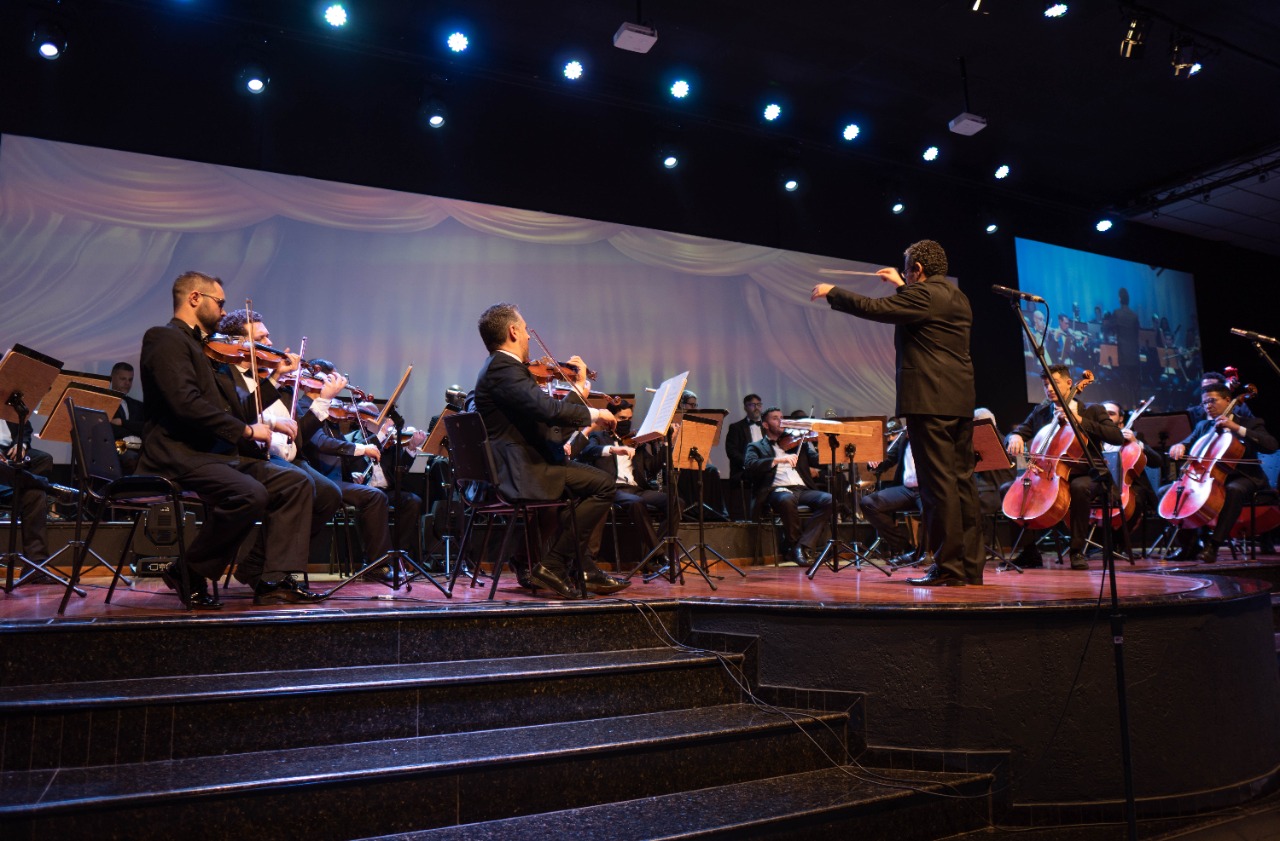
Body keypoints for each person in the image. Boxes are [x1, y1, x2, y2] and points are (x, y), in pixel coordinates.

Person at [137, 271, 318, 608]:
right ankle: (188, 571)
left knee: (296, 482)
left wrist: (268, 414)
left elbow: (237, 409)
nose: (224, 311)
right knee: (249, 494)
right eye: (219, 303)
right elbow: (185, 404)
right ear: (194, 298)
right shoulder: (164, 339)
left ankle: (272, 579)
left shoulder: (210, 350)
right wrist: (247, 431)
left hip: (218, 455)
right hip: (179, 454)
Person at [811, 239, 982, 586]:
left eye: (908, 269)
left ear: (917, 269)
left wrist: (834, 293)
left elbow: (875, 308)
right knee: (962, 483)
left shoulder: (922, 296)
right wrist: (903, 284)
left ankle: (948, 569)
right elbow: (921, 306)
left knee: (937, 487)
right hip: (960, 402)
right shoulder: (957, 297)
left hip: (929, 403)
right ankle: (968, 568)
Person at [471, 302, 627, 599]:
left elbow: (547, 421)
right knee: (603, 486)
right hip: (523, 470)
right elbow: (546, 410)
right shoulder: (503, 369)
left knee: (591, 484)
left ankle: (579, 566)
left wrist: (578, 393)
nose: (530, 337)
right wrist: (593, 414)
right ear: (513, 331)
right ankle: (556, 564)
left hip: (529, 462)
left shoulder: (501, 369)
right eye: (526, 330)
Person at [1005, 365, 1125, 570]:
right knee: (1007, 490)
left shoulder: (1092, 410)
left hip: (1090, 475)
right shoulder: (1042, 412)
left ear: (1070, 384)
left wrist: (1078, 420)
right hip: (1051, 475)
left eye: (1054, 383)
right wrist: (1014, 436)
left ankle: (1077, 551)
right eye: (1045, 385)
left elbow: (1117, 437)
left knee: (1079, 487)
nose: (1049, 389)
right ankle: (1030, 552)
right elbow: (1020, 431)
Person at [1164, 383, 1277, 562]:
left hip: (1244, 477)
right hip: (1209, 478)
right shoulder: (1203, 426)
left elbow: (1271, 445)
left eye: (1212, 400)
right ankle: (1188, 546)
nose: (1208, 406)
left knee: (1234, 490)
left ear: (1227, 400)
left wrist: (1236, 428)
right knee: (1166, 493)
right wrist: (1179, 445)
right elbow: (1188, 442)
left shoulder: (1251, 423)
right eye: (1204, 403)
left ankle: (1213, 546)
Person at [577, 400, 668, 569]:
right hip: (612, 489)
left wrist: (665, 445)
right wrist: (613, 449)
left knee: (674, 501)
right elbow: (586, 452)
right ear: (611, 418)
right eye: (622, 418)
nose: (626, 422)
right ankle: (659, 554)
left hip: (636, 489)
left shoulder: (635, 441)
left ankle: (656, 552)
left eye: (629, 418)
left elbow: (651, 468)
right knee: (636, 502)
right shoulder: (598, 437)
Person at [743, 407, 832, 565]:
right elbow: (750, 465)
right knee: (786, 499)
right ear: (765, 425)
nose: (781, 421)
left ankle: (800, 547)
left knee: (829, 499)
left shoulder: (798, 444)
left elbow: (818, 461)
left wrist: (825, 441)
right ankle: (796, 545)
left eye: (782, 417)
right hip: (776, 491)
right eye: (775, 418)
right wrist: (777, 460)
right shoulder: (756, 447)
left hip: (801, 489)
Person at [861, 428, 919, 566]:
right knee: (869, 503)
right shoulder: (905, 435)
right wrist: (875, 462)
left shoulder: (932, 433)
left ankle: (926, 552)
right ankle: (905, 548)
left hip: (928, 489)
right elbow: (888, 459)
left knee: (934, 510)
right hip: (907, 489)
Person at [109, 361, 146, 474]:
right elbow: (110, 429)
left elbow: (145, 427)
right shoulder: (104, 402)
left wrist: (122, 422)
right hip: (118, 446)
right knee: (131, 458)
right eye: (123, 379)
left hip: (140, 447)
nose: (127, 383)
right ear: (112, 378)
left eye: (130, 380)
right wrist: (133, 427)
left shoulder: (138, 405)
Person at [724, 394, 764, 481]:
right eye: (752, 405)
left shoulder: (768, 426)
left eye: (758, 404)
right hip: (746, 470)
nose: (756, 407)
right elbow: (732, 451)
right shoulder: (736, 427)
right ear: (745, 407)